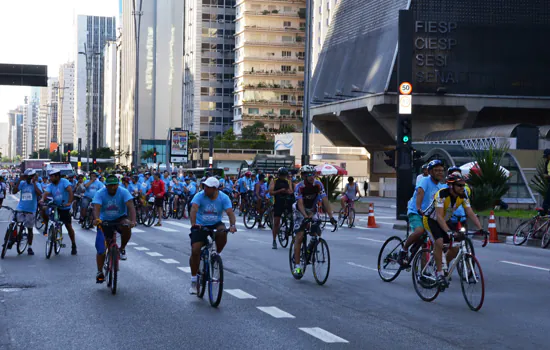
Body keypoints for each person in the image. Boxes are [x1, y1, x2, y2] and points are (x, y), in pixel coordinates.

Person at [422, 173, 484, 288]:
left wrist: (480, 228)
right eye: (459, 185)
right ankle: (439, 273)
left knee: (455, 247)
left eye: (463, 185)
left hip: (445, 220)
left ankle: (441, 262)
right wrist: (448, 231)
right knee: (439, 242)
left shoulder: (463, 195)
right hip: (431, 220)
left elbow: (470, 212)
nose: (462, 188)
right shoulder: (441, 194)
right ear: (451, 186)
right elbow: (439, 217)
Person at [188, 177, 237, 294]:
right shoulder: (199, 196)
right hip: (200, 225)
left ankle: (216, 255)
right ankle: (194, 281)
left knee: (223, 232)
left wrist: (233, 225)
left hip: (215, 223)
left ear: (215, 189)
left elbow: (230, 212)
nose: (205, 189)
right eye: (204, 186)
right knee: (195, 250)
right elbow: (194, 209)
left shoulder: (223, 197)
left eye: (208, 187)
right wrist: (194, 224)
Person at [398, 159, 446, 267]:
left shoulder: (440, 187)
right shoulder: (425, 180)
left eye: (441, 170)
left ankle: (424, 275)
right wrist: (419, 208)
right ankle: (404, 250)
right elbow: (420, 193)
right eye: (436, 170)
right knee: (420, 231)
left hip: (428, 216)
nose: (440, 172)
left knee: (426, 245)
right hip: (416, 212)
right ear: (430, 172)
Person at [292, 165, 337, 278]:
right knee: (300, 236)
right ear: (303, 176)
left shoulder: (318, 184)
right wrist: (305, 216)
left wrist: (331, 217)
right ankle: (297, 266)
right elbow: (300, 203)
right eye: (309, 175)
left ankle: (311, 247)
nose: (312, 177)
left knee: (317, 232)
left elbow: (325, 201)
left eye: (314, 174)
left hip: (312, 210)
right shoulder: (299, 186)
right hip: (300, 211)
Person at [92, 175, 137, 283]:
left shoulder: (123, 191)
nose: (113, 187)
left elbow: (130, 206)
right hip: (104, 220)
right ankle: (99, 271)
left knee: (126, 226)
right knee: (101, 249)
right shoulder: (100, 193)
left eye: (115, 185)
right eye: (110, 185)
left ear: (118, 184)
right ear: (106, 186)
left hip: (120, 218)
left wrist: (133, 221)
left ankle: (122, 248)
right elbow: (96, 208)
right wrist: (97, 219)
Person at [40, 169, 78, 255]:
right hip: (56, 206)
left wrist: (69, 202)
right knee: (44, 210)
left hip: (65, 207)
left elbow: (70, 192)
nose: (50, 178)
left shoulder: (64, 182)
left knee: (68, 226)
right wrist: (42, 199)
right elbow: (45, 193)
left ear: (57, 176)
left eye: (52, 176)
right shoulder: (51, 185)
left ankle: (73, 245)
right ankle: (49, 227)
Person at [11, 169, 42, 255]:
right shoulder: (22, 183)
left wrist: (34, 183)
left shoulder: (37, 184)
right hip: (20, 208)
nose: (27, 179)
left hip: (31, 210)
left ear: (32, 177)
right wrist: (20, 180)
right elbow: (14, 191)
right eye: (26, 177)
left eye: (29, 178)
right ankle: (10, 239)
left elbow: (39, 193)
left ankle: (29, 247)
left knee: (30, 230)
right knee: (13, 224)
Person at [269, 167, 294, 249]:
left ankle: (290, 230)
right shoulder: (274, 181)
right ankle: (274, 240)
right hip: (278, 202)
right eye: (282, 175)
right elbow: (271, 192)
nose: (283, 177)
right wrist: (280, 191)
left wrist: (287, 191)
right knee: (276, 222)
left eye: (285, 175)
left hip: (287, 202)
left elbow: (291, 191)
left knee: (292, 218)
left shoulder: (288, 181)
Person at [542, 149, 550, 214]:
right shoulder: (547, 162)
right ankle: (545, 210)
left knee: (547, 198)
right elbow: (545, 172)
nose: (546, 158)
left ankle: (544, 210)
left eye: (547, 156)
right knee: (547, 197)